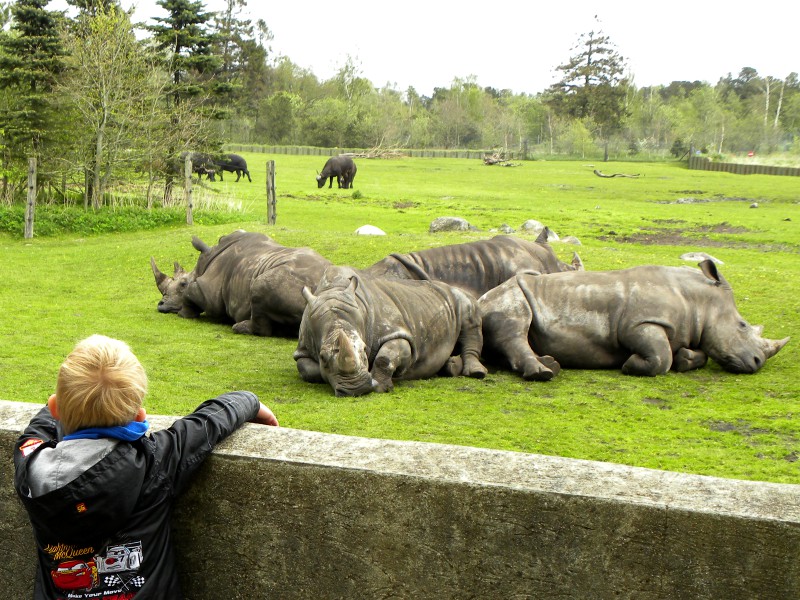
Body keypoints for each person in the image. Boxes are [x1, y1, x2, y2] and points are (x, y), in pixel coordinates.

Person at [13, 334, 279, 599]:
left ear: (55, 407)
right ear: (139, 416)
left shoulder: (31, 467)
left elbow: (35, 433)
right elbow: (207, 423)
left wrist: (68, 400)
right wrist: (250, 400)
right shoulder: (154, 460)